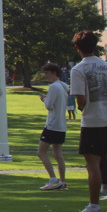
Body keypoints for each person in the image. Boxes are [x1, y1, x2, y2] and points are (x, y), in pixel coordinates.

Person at [68, 31, 107, 212]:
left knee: (93, 165)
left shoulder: (78, 69)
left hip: (93, 122)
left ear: (77, 47)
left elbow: (81, 100)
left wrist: (81, 108)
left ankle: (94, 206)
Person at [35, 63, 68, 191]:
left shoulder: (54, 87)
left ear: (54, 73)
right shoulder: (63, 86)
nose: (46, 76)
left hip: (52, 124)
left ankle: (53, 179)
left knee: (41, 152)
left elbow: (49, 105)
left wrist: (44, 99)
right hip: (61, 125)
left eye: (47, 73)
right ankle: (62, 181)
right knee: (57, 153)